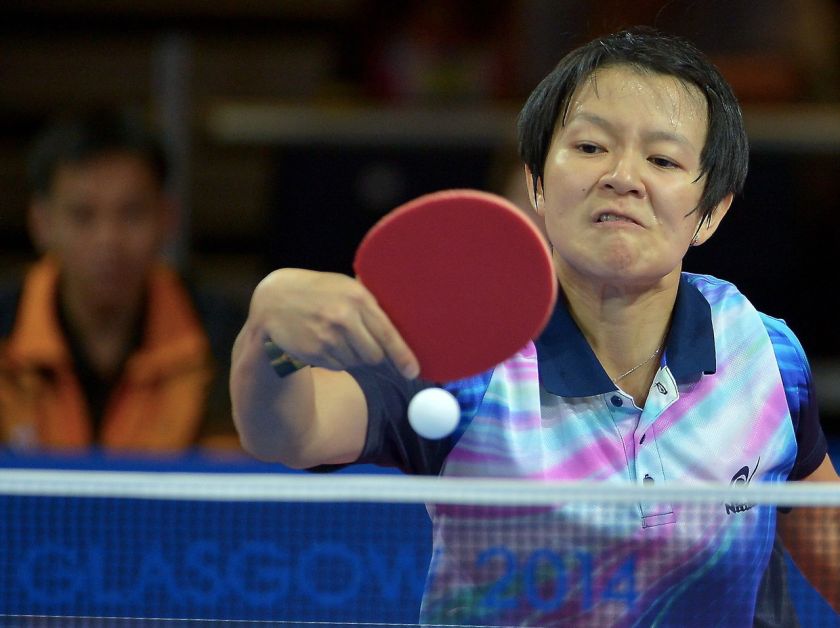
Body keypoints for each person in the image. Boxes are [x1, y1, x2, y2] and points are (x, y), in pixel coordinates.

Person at [230, 28, 839, 625]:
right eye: (591, 147)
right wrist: (270, 337)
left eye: (662, 158)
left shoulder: (762, 352)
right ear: (537, 183)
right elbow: (289, 432)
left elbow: (825, 532)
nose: (622, 176)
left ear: (709, 213)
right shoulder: (462, 353)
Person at [0, 111, 244, 454]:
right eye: (82, 216)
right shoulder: (6, 332)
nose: (108, 240)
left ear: (167, 218)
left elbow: (225, 480)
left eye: (131, 213)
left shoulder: (226, 340)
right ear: (41, 223)